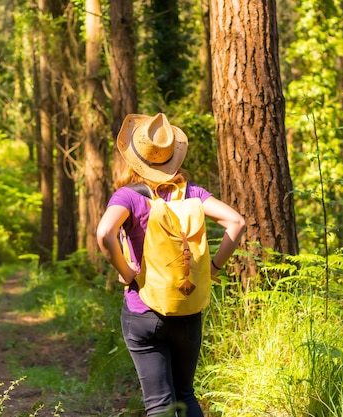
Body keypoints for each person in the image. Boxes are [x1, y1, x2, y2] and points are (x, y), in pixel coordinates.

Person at [97, 113, 246, 417]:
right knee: (186, 396)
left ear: (134, 158)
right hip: (187, 308)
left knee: (159, 405)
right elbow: (237, 222)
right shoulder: (192, 193)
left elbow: (104, 234)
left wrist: (128, 274)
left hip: (143, 310)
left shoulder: (127, 196)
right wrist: (213, 269)